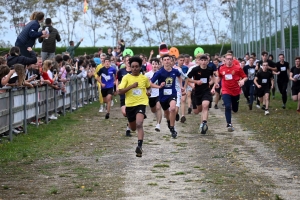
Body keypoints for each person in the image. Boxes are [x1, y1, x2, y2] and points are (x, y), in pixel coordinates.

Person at [118, 56, 151, 157]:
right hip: (130, 105)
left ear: (140, 67)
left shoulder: (144, 78)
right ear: (130, 67)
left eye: (137, 66)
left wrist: (148, 92)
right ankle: (130, 124)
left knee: (139, 123)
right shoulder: (126, 77)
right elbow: (120, 91)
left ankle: (139, 146)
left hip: (141, 103)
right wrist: (132, 86)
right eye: (133, 67)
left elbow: (149, 87)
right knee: (133, 128)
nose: (135, 68)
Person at [150, 54, 184, 138]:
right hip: (163, 96)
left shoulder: (175, 71)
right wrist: (159, 86)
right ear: (162, 61)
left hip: (172, 93)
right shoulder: (159, 72)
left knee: (173, 108)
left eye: (168, 59)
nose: (166, 61)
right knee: (166, 113)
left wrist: (181, 86)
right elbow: (150, 83)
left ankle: (172, 128)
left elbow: (180, 76)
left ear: (170, 61)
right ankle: (169, 123)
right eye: (164, 60)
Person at [216, 53, 247, 132]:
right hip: (226, 90)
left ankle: (235, 106)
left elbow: (245, 77)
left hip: (236, 91)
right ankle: (229, 123)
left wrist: (243, 80)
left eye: (230, 59)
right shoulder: (222, 68)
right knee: (227, 106)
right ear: (225, 60)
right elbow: (219, 77)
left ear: (233, 60)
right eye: (228, 59)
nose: (229, 61)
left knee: (235, 109)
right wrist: (216, 84)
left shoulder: (237, 68)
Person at [187, 54, 216, 134]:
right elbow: (187, 78)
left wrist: (214, 84)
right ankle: (201, 122)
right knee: (197, 111)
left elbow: (213, 78)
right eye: (202, 60)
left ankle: (204, 124)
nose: (203, 62)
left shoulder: (210, 69)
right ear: (199, 61)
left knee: (205, 106)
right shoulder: (195, 70)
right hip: (197, 92)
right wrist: (195, 82)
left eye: (205, 60)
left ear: (207, 61)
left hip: (206, 91)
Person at [116, 55, 132, 136]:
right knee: (125, 113)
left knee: (130, 112)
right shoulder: (121, 71)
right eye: (127, 61)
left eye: (130, 61)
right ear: (124, 62)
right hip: (123, 94)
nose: (128, 62)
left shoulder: (135, 71)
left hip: (132, 95)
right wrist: (117, 88)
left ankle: (128, 130)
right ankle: (129, 124)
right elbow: (117, 80)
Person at [145, 58, 162, 132]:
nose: (155, 65)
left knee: (158, 107)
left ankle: (158, 124)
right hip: (151, 95)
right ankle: (157, 115)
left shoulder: (161, 73)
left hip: (159, 93)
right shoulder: (147, 74)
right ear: (151, 65)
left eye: (156, 64)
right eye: (153, 64)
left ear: (158, 65)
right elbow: (145, 85)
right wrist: (147, 91)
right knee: (153, 110)